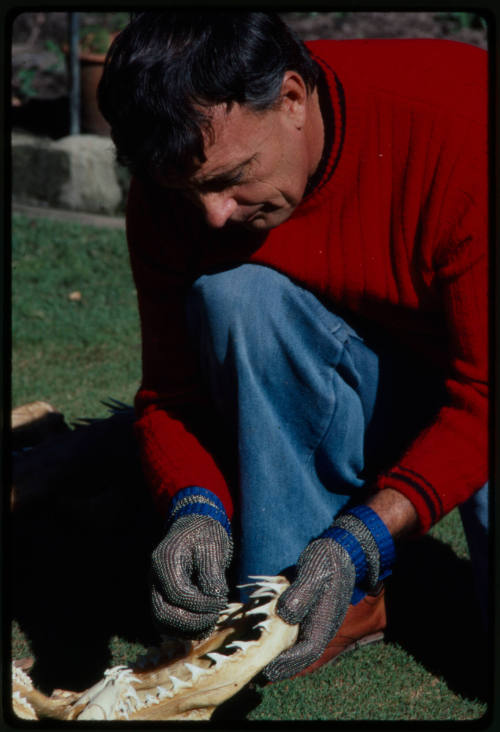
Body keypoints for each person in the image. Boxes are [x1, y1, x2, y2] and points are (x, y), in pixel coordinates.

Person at [98, 11, 488, 682]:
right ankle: (331, 599)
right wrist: (193, 507)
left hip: (480, 378)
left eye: (231, 177)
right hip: (387, 369)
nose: (213, 215)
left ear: (292, 99)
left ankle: (348, 560)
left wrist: (361, 536)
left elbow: (485, 395)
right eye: (189, 191)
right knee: (236, 296)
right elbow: (170, 394)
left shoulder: (462, 130)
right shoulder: (177, 179)